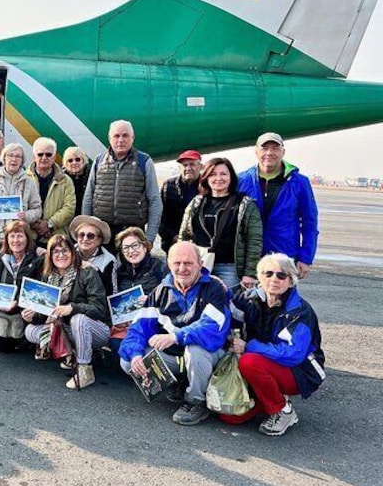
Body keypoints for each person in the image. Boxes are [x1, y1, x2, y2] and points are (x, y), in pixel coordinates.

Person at [119, 241, 230, 425]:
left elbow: (211, 328)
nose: (182, 268)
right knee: (127, 361)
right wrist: (135, 353)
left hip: (210, 354)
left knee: (195, 350)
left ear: (200, 264)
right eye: (176, 263)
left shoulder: (215, 288)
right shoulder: (161, 291)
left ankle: (196, 402)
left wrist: (175, 336)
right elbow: (138, 328)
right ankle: (181, 382)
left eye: (188, 263)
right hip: (178, 355)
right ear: (169, 265)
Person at [222, 253, 325, 436]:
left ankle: (283, 411)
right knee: (231, 417)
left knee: (249, 362)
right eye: (268, 273)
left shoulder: (300, 312)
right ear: (259, 277)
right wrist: (214, 285)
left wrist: (248, 347)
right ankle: (270, 397)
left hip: (300, 370)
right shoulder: (250, 299)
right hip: (266, 363)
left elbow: (294, 354)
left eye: (281, 275)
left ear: (291, 280)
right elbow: (225, 301)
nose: (273, 279)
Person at [22, 235, 111, 390]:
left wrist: (73, 308)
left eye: (65, 250)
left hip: (96, 328)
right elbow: (46, 313)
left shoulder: (87, 272)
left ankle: (84, 369)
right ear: (50, 255)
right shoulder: (48, 276)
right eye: (56, 252)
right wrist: (33, 315)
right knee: (30, 331)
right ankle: (73, 351)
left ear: (72, 252)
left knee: (79, 319)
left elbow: (100, 309)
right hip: (65, 328)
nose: (61, 255)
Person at [0, 143, 42, 334]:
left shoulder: (30, 182)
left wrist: (26, 216)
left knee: (15, 277)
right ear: (3, 158)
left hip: (18, 240)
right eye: (10, 156)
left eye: (18, 157)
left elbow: (37, 209)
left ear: (23, 161)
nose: (14, 159)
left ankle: (12, 314)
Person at [238, 132, 318, 279]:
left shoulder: (299, 182)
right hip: (249, 257)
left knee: (282, 300)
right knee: (246, 301)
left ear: (283, 152)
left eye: (275, 148)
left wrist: (306, 257)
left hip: (284, 256)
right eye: (264, 148)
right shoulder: (242, 180)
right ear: (256, 151)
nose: (269, 152)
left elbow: (309, 223)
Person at [179, 157, 263, 290]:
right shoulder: (197, 203)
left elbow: (254, 241)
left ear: (231, 177)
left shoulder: (245, 205)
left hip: (229, 268)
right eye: (213, 174)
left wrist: (250, 273)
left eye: (223, 174)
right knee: (196, 305)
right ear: (206, 177)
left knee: (226, 306)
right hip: (199, 265)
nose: (218, 178)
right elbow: (184, 236)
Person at [82, 120, 162, 249]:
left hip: (133, 234)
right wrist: (86, 230)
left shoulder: (144, 161)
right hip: (103, 233)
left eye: (125, 135)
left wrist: (150, 238)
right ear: (109, 138)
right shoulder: (99, 161)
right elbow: (88, 197)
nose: (121, 140)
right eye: (116, 136)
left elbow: (155, 200)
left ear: (132, 138)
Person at [0, 220, 43, 353]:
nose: (16, 240)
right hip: (5, 307)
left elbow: (36, 290)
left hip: (24, 309)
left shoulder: (37, 260)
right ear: (7, 239)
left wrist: (16, 302)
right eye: (12, 236)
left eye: (20, 236)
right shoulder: (2, 258)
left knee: (20, 344)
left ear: (27, 238)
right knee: (3, 347)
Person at [110, 227, 168, 351]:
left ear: (145, 247)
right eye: (126, 248)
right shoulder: (120, 272)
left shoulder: (159, 267)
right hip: (129, 325)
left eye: (135, 245)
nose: (131, 251)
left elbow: (172, 296)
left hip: (154, 321)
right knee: (115, 342)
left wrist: (152, 300)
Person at [28, 137, 76, 247]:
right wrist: (37, 225)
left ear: (54, 157)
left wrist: (49, 224)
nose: (44, 158)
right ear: (34, 157)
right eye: (40, 154)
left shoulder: (66, 181)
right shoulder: (23, 179)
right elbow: (20, 207)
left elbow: (69, 208)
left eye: (48, 154)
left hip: (57, 237)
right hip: (30, 237)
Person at [160, 150, 203, 254]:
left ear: (201, 167)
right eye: (184, 165)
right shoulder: (168, 186)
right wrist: (173, 236)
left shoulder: (207, 185)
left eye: (192, 164)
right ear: (180, 168)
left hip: (201, 244)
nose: (188, 168)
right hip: (173, 243)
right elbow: (159, 215)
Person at [70, 215, 116, 296]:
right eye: (81, 235)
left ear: (99, 240)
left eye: (90, 236)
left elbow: (111, 291)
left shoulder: (109, 260)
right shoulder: (68, 253)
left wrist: (93, 270)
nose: (85, 239)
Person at [62, 146, 90, 214]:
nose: (74, 163)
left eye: (77, 159)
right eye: (70, 160)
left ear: (83, 160)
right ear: (66, 163)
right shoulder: (61, 178)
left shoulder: (92, 175)